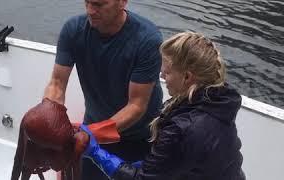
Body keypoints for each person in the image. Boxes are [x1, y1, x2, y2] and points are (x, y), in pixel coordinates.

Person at [79, 32, 246, 180]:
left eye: (167, 72)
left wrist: (96, 152)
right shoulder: (218, 105)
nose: (162, 76)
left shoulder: (183, 129)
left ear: (187, 77)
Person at [43, 0, 163, 179]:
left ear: (123, 2)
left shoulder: (147, 39)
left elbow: (136, 106)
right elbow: (57, 83)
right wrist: (49, 119)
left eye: (99, 4)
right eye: (87, 2)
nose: (90, 10)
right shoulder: (73, 30)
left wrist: (87, 135)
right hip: (95, 124)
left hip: (140, 136)